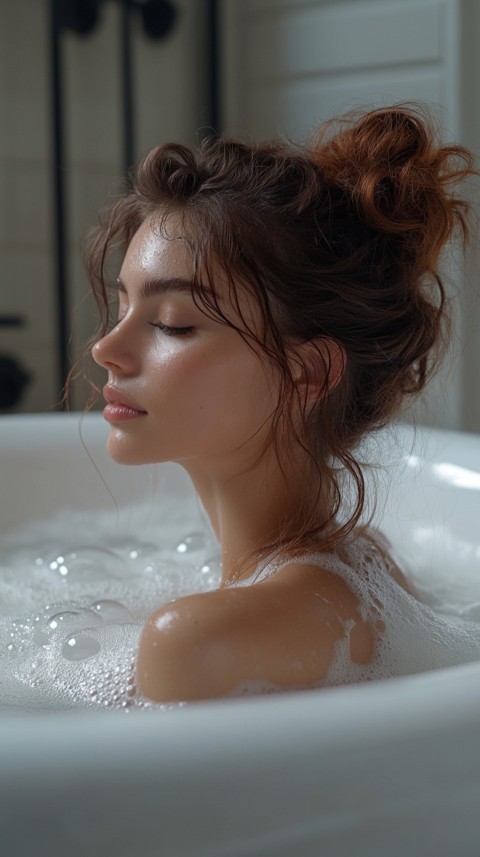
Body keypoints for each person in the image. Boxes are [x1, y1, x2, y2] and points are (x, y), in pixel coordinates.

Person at [88, 105, 476, 703]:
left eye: (172, 324)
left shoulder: (192, 645)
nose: (106, 349)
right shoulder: (366, 562)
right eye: (123, 310)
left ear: (310, 371)